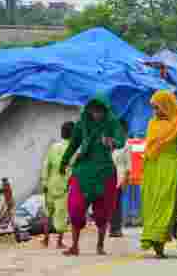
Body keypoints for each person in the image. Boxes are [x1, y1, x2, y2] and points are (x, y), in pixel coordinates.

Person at [59, 95, 126, 257]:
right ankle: (74, 246)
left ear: (105, 110)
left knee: (103, 213)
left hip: (105, 172)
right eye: (93, 110)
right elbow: (73, 144)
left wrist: (112, 142)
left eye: (100, 110)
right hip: (83, 170)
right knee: (75, 208)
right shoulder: (82, 124)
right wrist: (64, 161)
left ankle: (100, 245)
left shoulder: (112, 122)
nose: (96, 114)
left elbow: (120, 140)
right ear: (89, 109)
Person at [140, 90, 177, 258]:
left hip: (170, 166)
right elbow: (149, 146)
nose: (156, 112)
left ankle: (158, 242)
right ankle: (150, 237)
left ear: (167, 106)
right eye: (154, 108)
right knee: (151, 202)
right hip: (152, 167)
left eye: (158, 107)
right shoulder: (152, 123)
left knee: (165, 202)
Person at [41, 121, 74, 249]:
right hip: (64, 185)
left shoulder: (53, 147)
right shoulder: (73, 149)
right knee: (62, 213)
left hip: (50, 183)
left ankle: (45, 239)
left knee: (48, 212)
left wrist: (44, 181)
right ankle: (59, 242)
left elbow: (46, 165)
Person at [109, 120, 132, 237]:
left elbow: (128, 166)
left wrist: (126, 181)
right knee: (109, 203)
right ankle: (110, 227)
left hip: (119, 177)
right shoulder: (110, 142)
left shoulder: (127, 145)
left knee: (117, 203)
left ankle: (116, 228)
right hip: (107, 176)